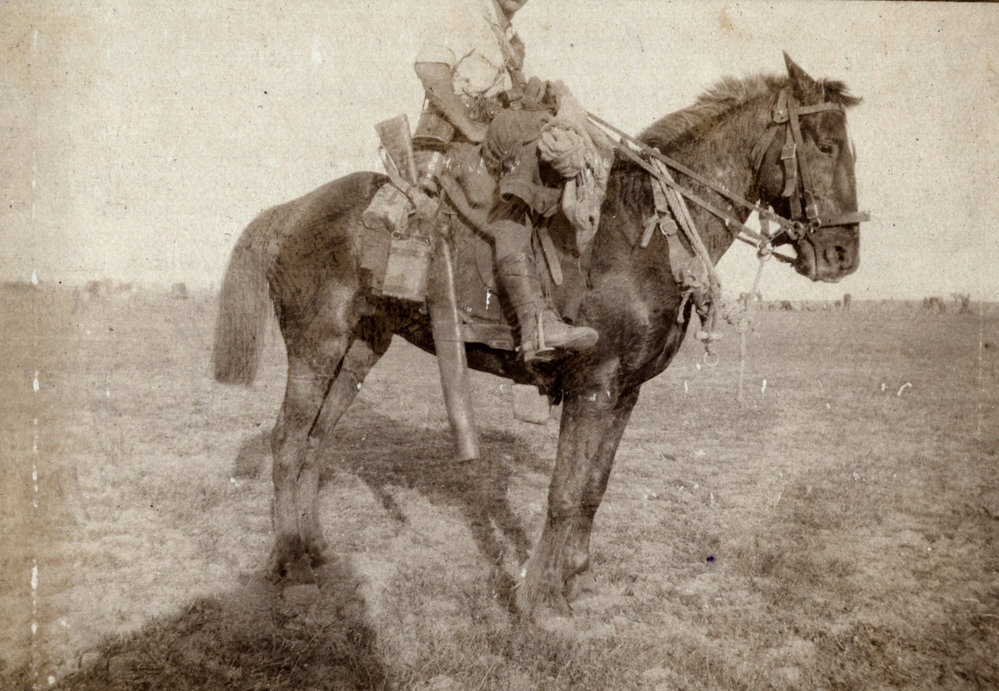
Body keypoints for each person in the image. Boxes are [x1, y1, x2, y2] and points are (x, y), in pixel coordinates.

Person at [364, 0, 599, 364]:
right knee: (519, 185)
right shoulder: (464, 13)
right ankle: (535, 321)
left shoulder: (509, 40)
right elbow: (429, 69)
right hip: (454, 147)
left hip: (492, 145)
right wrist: (470, 126)